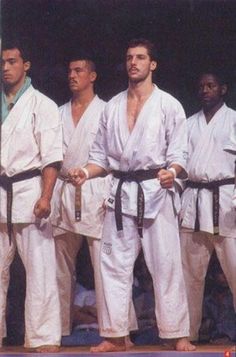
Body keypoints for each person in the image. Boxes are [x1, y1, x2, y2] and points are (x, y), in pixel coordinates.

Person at [69, 38, 195, 352]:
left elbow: (180, 152)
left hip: (156, 190)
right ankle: (114, 335)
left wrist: (173, 171)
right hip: (121, 193)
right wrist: (85, 172)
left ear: (152, 64)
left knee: (166, 264)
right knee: (112, 265)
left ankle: (177, 333)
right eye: (129, 58)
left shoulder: (169, 105)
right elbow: (100, 156)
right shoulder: (111, 107)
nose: (133, 63)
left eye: (140, 58)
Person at [50, 51, 137, 341]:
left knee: (106, 266)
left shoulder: (107, 110)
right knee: (59, 269)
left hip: (97, 191)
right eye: (70, 71)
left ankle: (119, 331)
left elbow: (116, 154)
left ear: (92, 76)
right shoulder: (58, 112)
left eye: (79, 70)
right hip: (62, 193)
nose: (72, 76)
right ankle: (57, 330)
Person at [0, 40, 62, 352]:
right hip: (0, 192)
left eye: (12, 61)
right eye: (2, 62)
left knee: (40, 269)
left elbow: (51, 158)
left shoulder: (43, 105)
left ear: (26, 65)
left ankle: (43, 337)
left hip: (30, 192)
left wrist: (47, 196)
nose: (6, 68)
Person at [180, 70, 236, 342]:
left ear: (223, 89)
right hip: (193, 202)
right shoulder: (188, 125)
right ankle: (186, 334)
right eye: (201, 86)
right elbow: (178, 167)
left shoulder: (234, 120)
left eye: (211, 85)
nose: (205, 90)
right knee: (189, 276)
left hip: (227, 204)